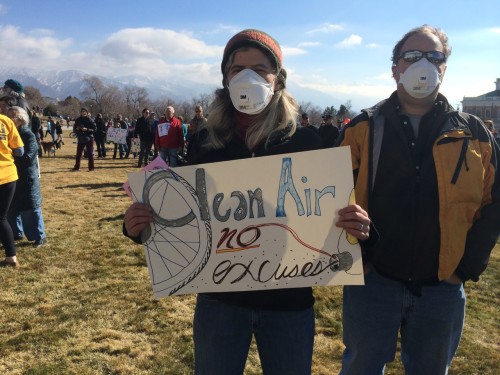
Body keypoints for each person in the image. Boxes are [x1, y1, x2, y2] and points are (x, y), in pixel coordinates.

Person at [123, 29, 371, 374]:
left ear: (278, 79)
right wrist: (139, 226)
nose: (247, 77)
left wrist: (355, 227)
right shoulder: (206, 142)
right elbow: (183, 215)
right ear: (225, 78)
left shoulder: (307, 142)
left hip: (289, 302)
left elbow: (329, 219)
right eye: (237, 68)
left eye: (259, 68)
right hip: (220, 300)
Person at [337, 25, 500, 374]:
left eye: (434, 56)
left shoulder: (474, 133)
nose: (423, 63)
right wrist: (359, 261)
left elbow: (493, 203)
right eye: (412, 56)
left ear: (444, 67)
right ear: (395, 68)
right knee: (360, 367)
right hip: (373, 281)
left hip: (442, 287)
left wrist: (465, 268)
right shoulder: (362, 128)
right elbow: (332, 197)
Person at [6, 106, 47, 247]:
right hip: (11, 176)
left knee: (31, 207)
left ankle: (39, 235)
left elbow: (28, 157)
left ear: (21, 119)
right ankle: (16, 233)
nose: (9, 117)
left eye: (13, 115)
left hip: (27, 177)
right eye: (8, 114)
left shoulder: (28, 135)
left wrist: (9, 158)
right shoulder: (9, 134)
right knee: (12, 206)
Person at [0, 112, 24, 267]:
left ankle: (11, 256)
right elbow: (20, 150)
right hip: (8, 175)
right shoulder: (5, 120)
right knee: (2, 217)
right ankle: (11, 257)